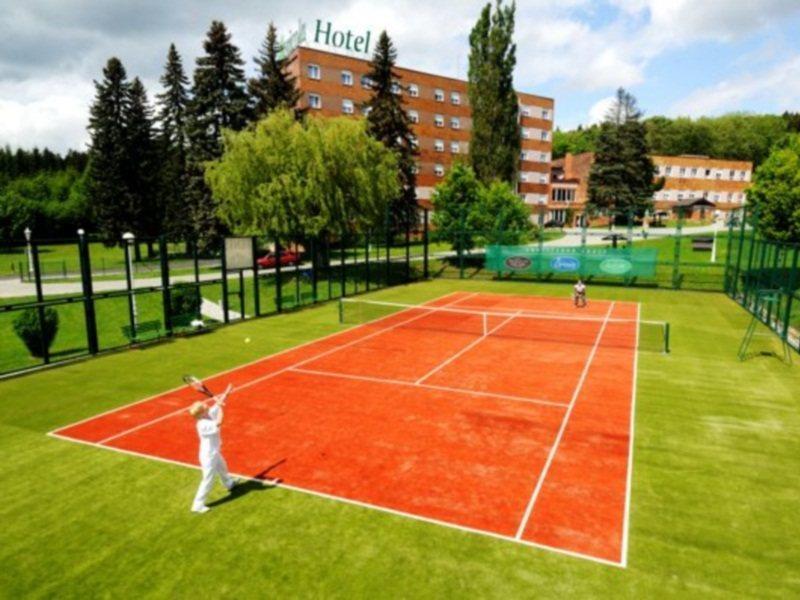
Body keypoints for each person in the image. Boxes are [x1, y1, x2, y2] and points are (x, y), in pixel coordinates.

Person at [189, 384, 238, 513]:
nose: (207, 405)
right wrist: (221, 408)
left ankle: (228, 483)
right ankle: (197, 505)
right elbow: (219, 422)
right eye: (204, 406)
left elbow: (219, 402)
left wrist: (227, 392)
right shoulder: (203, 424)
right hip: (208, 455)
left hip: (214, 452)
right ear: (201, 412)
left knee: (223, 466)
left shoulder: (207, 414)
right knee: (208, 479)